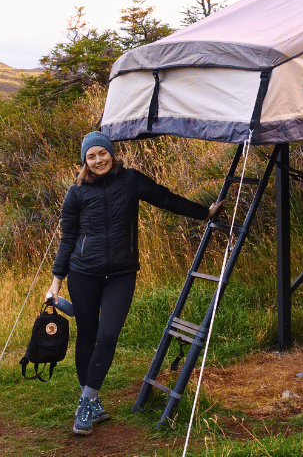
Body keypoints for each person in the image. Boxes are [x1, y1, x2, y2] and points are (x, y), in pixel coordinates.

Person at [47, 131, 224, 436]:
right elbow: (68, 239)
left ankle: (85, 402)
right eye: (91, 156)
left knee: (108, 335)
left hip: (121, 274)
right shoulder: (76, 193)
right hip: (83, 273)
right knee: (87, 335)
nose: (98, 160)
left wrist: (203, 213)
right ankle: (91, 401)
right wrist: (56, 282)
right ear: (85, 162)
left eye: (102, 153)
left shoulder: (130, 180)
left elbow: (165, 197)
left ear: (111, 154)